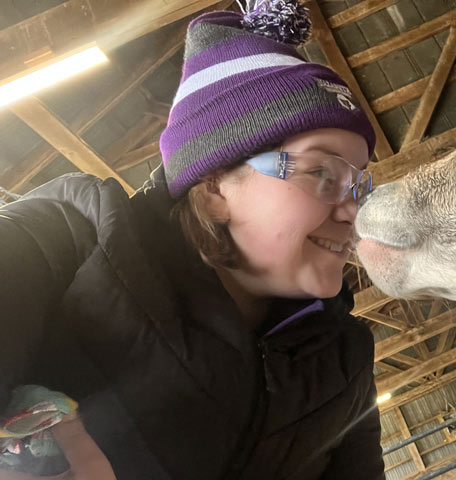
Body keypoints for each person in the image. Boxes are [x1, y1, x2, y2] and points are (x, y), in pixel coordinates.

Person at [0, 1, 385, 479]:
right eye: (321, 171)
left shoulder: (346, 362)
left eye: (358, 183)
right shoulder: (67, 235)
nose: (353, 211)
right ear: (215, 184)